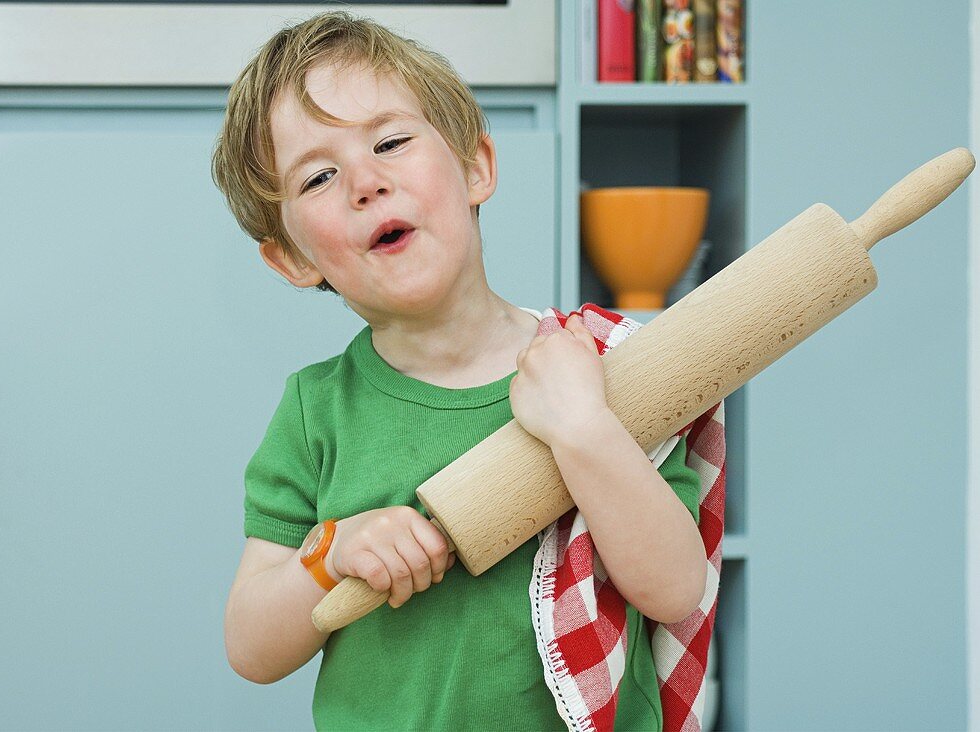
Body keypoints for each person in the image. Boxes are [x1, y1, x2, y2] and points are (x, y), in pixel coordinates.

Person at [210, 10, 708, 730]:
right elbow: (251, 647)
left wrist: (585, 430)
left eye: (390, 141)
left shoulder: (597, 368)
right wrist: (330, 555)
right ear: (292, 257)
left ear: (475, 167)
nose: (365, 181)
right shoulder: (317, 411)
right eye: (318, 176)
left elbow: (676, 589)